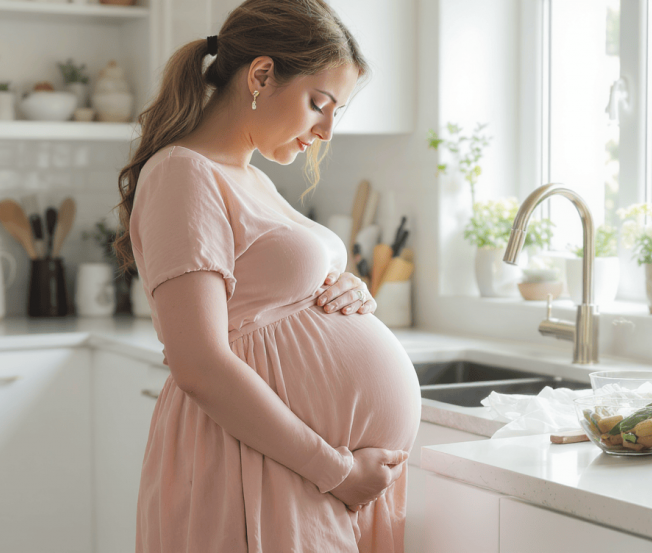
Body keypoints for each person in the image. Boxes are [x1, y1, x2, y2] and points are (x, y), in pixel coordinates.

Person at [111, 1, 422, 551]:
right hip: (251, 465)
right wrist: (337, 471)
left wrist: (346, 286)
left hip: (293, 468)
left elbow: (271, 292)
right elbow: (198, 364)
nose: (327, 130)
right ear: (260, 75)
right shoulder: (183, 172)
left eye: (337, 112)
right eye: (318, 104)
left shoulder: (249, 176)